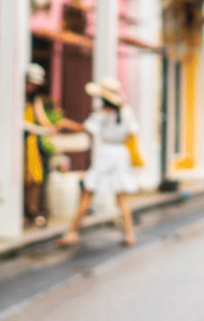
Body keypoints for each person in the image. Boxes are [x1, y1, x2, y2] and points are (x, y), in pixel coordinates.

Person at [59, 77, 139, 247]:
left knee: (87, 193)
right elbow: (131, 133)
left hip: (105, 154)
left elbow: (86, 128)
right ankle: (129, 234)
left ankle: (72, 232)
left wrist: (65, 123)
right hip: (120, 153)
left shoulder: (102, 114)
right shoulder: (127, 112)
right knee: (121, 197)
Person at [23, 63, 54, 226]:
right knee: (23, 178)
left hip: (32, 142)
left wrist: (50, 127)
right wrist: (38, 129)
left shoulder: (35, 99)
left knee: (35, 177)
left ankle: (33, 209)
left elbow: (41, 117)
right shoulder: (18, 98)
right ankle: (24, 210)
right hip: (20, 142)